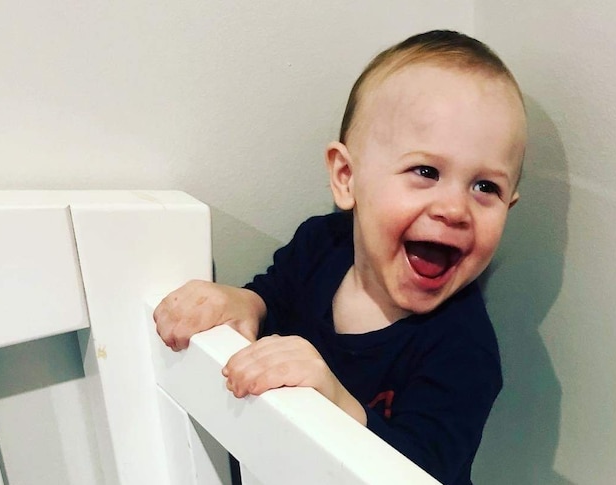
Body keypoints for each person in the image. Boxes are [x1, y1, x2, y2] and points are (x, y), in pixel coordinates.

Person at [154, 29, 527, 485]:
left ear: (509, 206)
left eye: (486, 186)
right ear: (347, 177)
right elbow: (271, 292)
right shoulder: (323, 244)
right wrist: (242, 303)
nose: (454, 209)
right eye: (426, 171)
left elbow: (426, 470)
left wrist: (337, 404)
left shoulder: (464, 349)